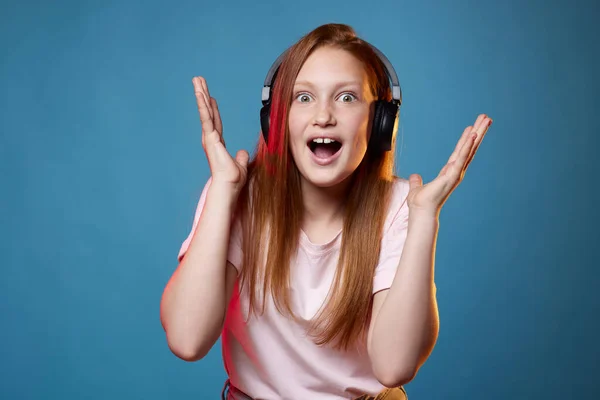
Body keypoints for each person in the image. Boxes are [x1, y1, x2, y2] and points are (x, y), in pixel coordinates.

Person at [160, 23, 492, 400]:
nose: (324, 116)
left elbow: (395, 366)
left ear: (381, 123)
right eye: (304, 98)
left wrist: (425, 219)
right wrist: (222, 191)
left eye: (347, 98)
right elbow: (187, 340)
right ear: (277, 120)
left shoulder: (402, 206)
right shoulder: (238, 192)